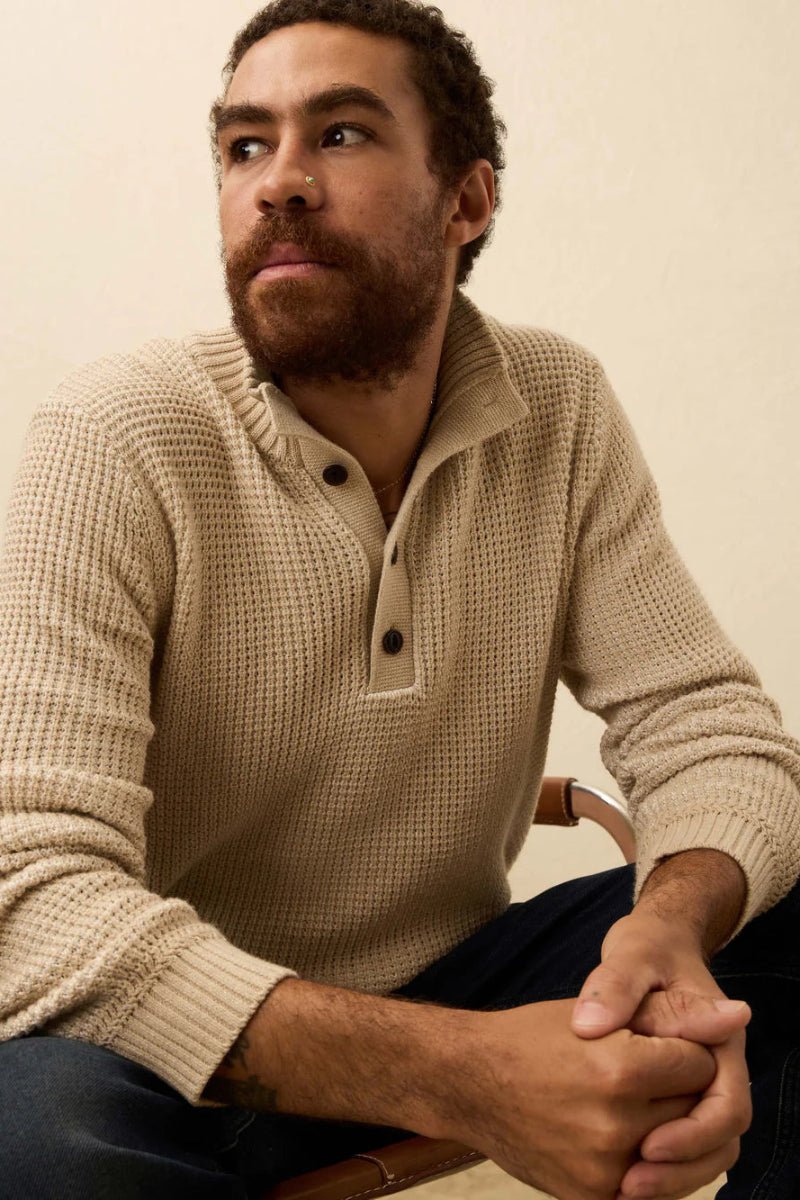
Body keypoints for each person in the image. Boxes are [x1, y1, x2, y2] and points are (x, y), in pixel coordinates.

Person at [0, 1, 798, 1197]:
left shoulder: (558, 409)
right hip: (159, 1057)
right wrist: (462, 1074)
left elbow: (712, 733)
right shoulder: (113, 441)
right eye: (243, 144)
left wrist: (667, 930)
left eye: (340, 135)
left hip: (446, 982)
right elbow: (34, 897)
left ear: (467, 201)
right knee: (36, 1134)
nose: (277, 184)